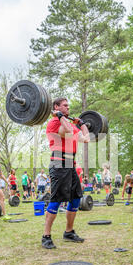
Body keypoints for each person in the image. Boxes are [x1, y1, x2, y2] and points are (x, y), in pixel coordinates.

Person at [42, 97, 90, 249]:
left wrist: (81, 124)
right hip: (58, 163)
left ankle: (69, 232)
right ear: (56, 107)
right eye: (65, 106)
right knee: (56, 200)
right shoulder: (54, 123)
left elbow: (86, 138)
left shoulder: (67, 122)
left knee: (76, 198)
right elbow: (68, 131)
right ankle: (46, 236)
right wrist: (60, 117)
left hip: (71, 164)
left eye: (68, 105)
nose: (68, 108)